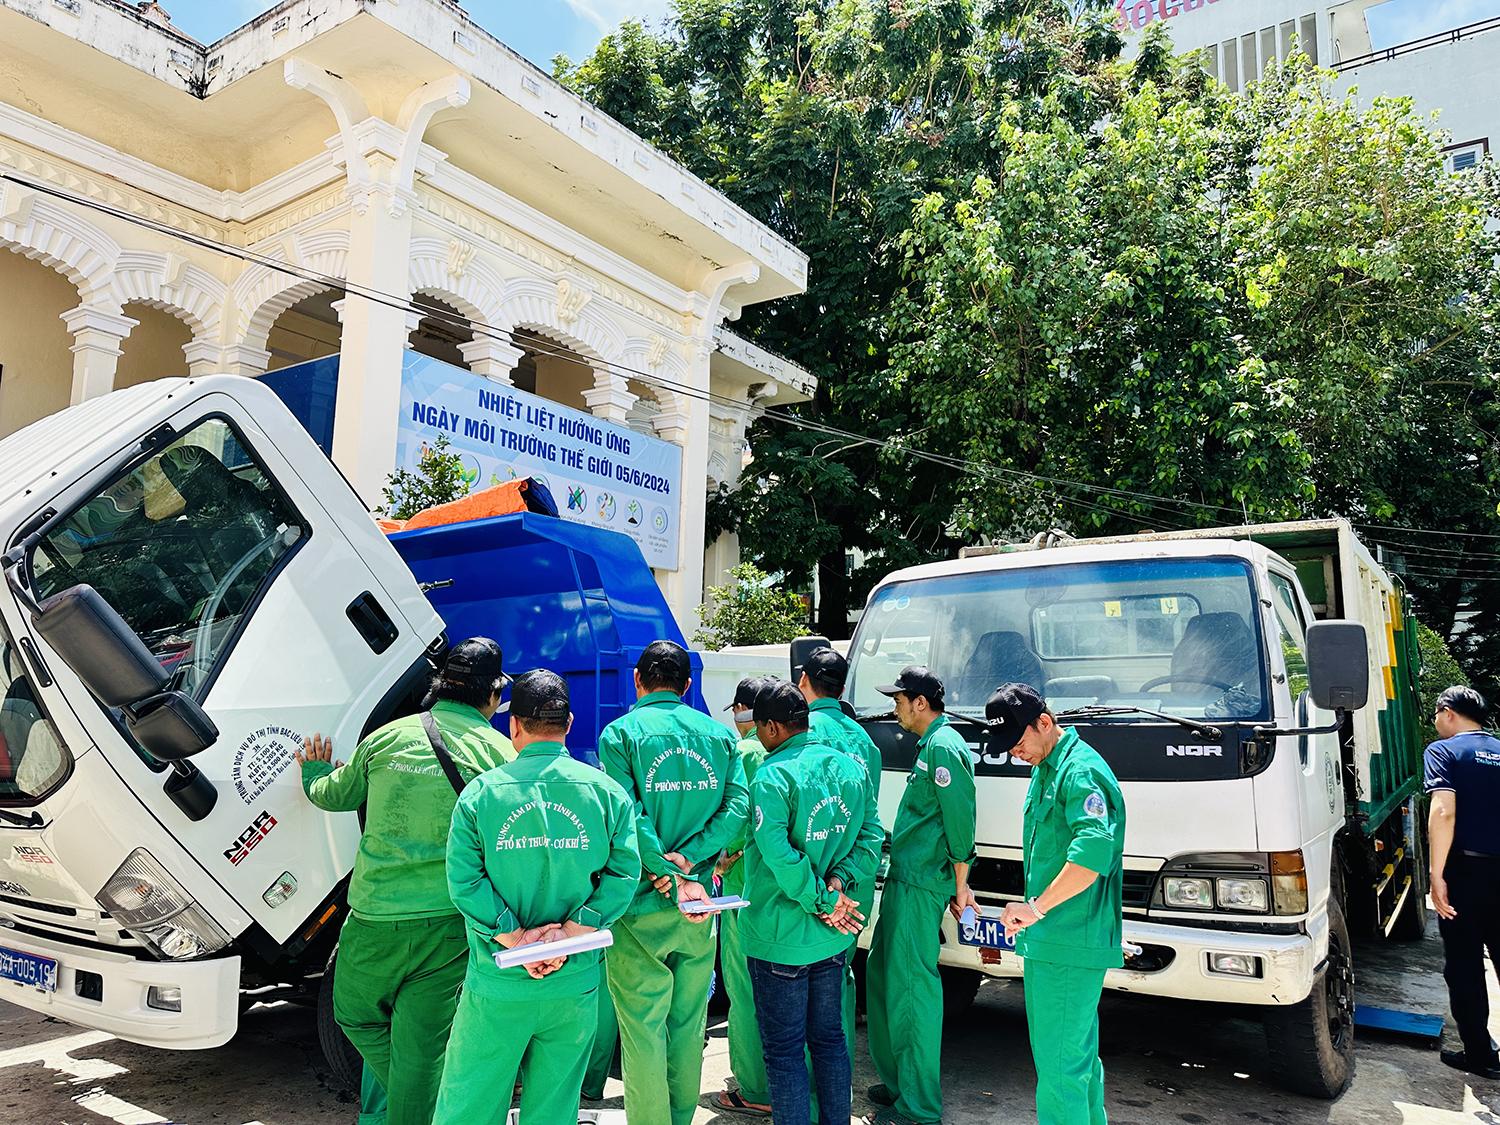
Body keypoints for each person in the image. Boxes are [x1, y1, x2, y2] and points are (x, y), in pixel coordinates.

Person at [296, 638, 515, 1125]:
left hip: (374, 919)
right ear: (493, 696)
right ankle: (421, 1100)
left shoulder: (387, 738)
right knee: (420, 1048)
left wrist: (313, 773)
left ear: (440, 685)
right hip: (448, 925)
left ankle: (401, 1106)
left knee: (354, 1016)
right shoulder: (501, 753)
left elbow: (333, 795)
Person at [433, 669, 640, 1124]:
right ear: (569, 723)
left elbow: (464, 881)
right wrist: (569, 934)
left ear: (514, 725)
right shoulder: (607, 794)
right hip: (574, 983)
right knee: (554, 1108)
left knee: (469, 1105)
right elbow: (625, 873)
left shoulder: (481, 795)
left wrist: (518, 939)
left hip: (499, 982)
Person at [600, 640, 749, 1125]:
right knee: (687, 1024)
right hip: (698, 906)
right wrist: (690, 859)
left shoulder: (619, 735)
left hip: (639, 906)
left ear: (637, 680)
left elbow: (627, 813)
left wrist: (664, 868)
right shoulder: (720, 738)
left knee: (642, 1028)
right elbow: (737, 808)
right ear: (687, 685)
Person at [744, 680, 884, 1125]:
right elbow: (871, 837)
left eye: (757, 727)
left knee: (784, 1051)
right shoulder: (850, 768)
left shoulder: (772, 775)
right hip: (832, 936)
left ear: (771, 728)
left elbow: (779, 855)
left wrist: (822, 897)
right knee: (829, 1040)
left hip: (780, 937)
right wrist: (839, 883)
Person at [992, 683, 1125, 1125]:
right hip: (1056, 938)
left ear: (1045, 723)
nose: (1015, 754)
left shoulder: (1079, 772)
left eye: (1017, 742)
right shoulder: (1048, 767)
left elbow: (1090, 857)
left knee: (1060, 1071)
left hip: (1068, 939)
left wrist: (1035, 909)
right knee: (1076, 1062)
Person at [865, 666, 977, 1125]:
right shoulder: (931, 745)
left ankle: (919, 1107)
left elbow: (960, 820)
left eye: (898, 700)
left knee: (912, 990)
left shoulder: (945, 746)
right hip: (905, 877)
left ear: (921, 702)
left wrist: (961, 881)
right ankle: (899, 1085)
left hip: (920, 882)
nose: (894, 708)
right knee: (883, 977)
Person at [1424, 685, 1500, 1079]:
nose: (1436, 721)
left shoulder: (1444, 751)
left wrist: (1436, 874)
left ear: (1448, 712)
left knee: (1465, 966)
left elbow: (1443, 812)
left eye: (1437, 713)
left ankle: (1480, 1056)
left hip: (1466, 874)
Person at [715, 675, 778, 1117]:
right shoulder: (788, 749)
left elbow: (737, 817)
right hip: (779, 889)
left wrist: (723, 858)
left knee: (743, 988)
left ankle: (754, 1087)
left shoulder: (744, 752)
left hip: (741, 888)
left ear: (744, 710)